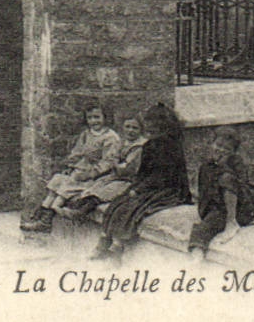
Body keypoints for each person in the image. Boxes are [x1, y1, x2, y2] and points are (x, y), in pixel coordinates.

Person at [91, 102, 190, 261]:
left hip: (168, 188)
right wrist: (136, 186)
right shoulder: (151, 145)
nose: (149, 129)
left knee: (135, 207)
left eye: (152, 126)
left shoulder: (170, 146)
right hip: (150, 184)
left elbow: (163, 176)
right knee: (119, 201)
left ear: (162, 126)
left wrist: (139, 189)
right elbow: (144, 171)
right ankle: (105, 239)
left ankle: (117, 246)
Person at [21, 103, 121, 233]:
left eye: (97, 117)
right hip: (80, 172)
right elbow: (77, 152)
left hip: (97, 177)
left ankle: (47, 220)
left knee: (67, 186)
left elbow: (108, 162)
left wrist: (90, 173)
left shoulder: (111, 138)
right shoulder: (87, 134)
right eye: (90, 118)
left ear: (106, 117)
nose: (94, 121)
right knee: (57, 180)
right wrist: (70, 165)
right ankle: (42, 213)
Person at [188, 128, 254, 259]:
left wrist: (224, 167)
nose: (220, 150)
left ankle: (231, 223)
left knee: (226, 178)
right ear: (212, 144)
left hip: (238, 209)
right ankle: (197, 252)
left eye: (226, 149)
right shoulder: (207, 165)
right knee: (208, 224)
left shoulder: (236, 163)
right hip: (216, 208)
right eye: (218, 145)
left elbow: (241, 188)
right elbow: (204, 192)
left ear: (233, 152)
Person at [59, 115, 147, 219]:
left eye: (135, 128)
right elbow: (111, 158)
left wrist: (116, 163)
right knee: (95, 187)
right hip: (115, 176)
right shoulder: (122, 142)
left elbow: (127, 168)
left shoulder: (140, 146)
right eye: (127, 127)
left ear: (141, 130)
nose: (130, 130)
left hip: (128, 180)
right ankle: (74, 208)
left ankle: (79, 213)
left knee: (103, 193)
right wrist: (115, 162)